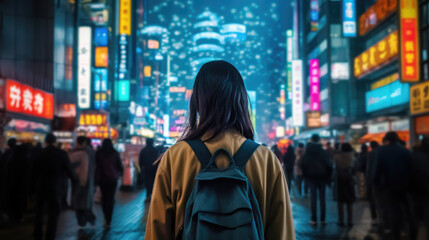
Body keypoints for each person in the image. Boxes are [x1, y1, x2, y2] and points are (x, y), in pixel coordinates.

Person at [145, 61, 295, 240]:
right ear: (240, 100)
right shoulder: (266, 160)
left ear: (198, 101)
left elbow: (157, 233)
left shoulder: (175, 157)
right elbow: (282, 233)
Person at [373, 132, 416, 240]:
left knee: (394, 210)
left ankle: (396, 233)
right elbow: (412, 169)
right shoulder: (406, 151)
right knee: (408, 210)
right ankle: (410, 232)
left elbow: (377, 170)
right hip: (406, 185)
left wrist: (376, 184)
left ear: (387, 140)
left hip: (389, 185)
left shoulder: (381, 151)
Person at [33, 133, 76, 240]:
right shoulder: (61, 154)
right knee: (54, 214)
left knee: (39, 213)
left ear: (46, 142)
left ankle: (37, 236)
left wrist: (31, 189)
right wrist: (75, 181)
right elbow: (69, 171)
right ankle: (50, 236)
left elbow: (33, 172)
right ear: (55, 142)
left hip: (41, 186)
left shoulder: (39, 153)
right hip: (55, 187)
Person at [300, 134, 332, 226]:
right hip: (322, 178)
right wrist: (328, 178)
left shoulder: (308, 152)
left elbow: (303, 164)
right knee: (322, 199)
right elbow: (329, 165)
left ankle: (313, 219)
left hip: (311, 178)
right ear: (319, 140)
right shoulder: (323, 152)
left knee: (313, 199)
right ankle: (323, 219)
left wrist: (306, 176)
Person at [95, 138, 123, 229]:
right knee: (110, 199)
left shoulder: (99, 153)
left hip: (102, 179)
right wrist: (119, 174)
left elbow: (96, 167)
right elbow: (120, 167)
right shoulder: (114, 153)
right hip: (112, 180)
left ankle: (105, 217)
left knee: (104, 198)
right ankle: (108, 220)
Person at [68, 136, 95, 227]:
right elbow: (87, 167)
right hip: (86, 180)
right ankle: (86, 219)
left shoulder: (74, 152)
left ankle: (82, 221)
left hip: (76, 180)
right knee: (85, 202)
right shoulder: (89, 152)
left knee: (78, 202)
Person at [333, 143, 356, 227]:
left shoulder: (337, 157)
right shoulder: (352, 158)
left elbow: (334, 168)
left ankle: (341, 220)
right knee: (349, 201)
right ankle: (350, 220)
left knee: (340, 201)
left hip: (340, 180)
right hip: (349, 181)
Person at [411, 137, 429, 238]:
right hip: (422, 189)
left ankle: (414, 235)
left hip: (416, 190)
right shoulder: (419, 156)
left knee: (415, 215)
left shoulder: (415, 156)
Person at [366, 141, 379, 226]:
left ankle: (374, 218)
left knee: (371, 200)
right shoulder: (380, 153)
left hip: (370, 180)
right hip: (379, 180)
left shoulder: (369, 155)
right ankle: (382, 218)